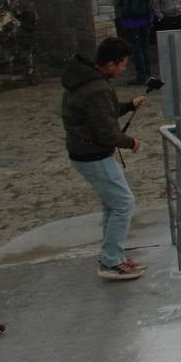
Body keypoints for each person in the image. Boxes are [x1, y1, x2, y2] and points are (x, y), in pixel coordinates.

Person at [61, 36, 149, 281]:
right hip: (93, 154)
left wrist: (129, 105)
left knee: (113, 204)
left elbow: (99, 114)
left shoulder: (84, 80)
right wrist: (130, 142)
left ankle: (112, 255)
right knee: (123, 204)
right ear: (111, 63)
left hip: (84, 152)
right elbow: (104, 129)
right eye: (122, 64)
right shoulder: (97, 87)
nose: (123, 69)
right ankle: (111, 260)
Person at [111, 0, 157, 84]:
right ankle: (148, 72)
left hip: (130, 21)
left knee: (136, 48)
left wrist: (123, 1)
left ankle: (140, 75)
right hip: (145, 18)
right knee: (145, 46)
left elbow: (113, 0)